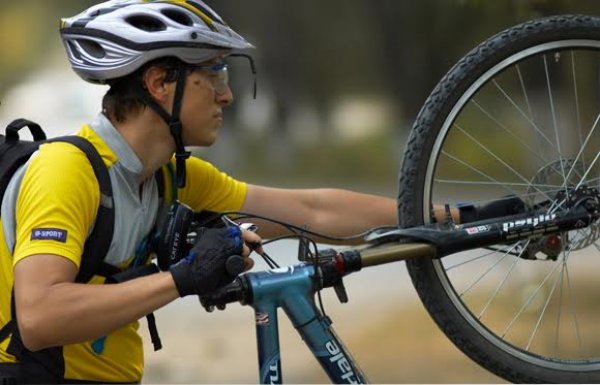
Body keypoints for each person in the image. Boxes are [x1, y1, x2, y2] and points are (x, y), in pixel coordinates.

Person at [0, 1, 400, 383]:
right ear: (159, 83)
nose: (226, 95)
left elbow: (311, 211)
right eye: (213, 75)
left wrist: (445, 219)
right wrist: (183, 277)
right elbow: (40, 318)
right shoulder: (68, 171)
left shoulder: (171, 177)